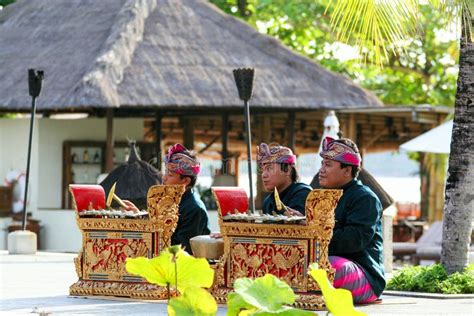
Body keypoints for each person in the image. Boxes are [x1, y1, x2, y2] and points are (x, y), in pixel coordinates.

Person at [318, 136, 385, 304]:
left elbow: (353, 240)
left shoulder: (365, 198)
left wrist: (316, 235)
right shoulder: (321, 195)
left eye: (328, 164)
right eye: (322, 163)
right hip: (329, 262)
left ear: (347, 171)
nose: (321, 169)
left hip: (365, 275)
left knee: (330, 267)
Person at [124, 143, 210, 255]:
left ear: (186, 181)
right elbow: (158, 227)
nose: (164, 178)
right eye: (165, 172)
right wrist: (138, 216)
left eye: (170, 175)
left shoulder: (194, 209)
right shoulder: (173, 200)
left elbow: (182, 251)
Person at [257, 143, 312, 216]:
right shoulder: (268, 202)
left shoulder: (303, 193)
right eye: (263, 170)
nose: (264, 175)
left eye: (269, 168)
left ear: (287, 170)